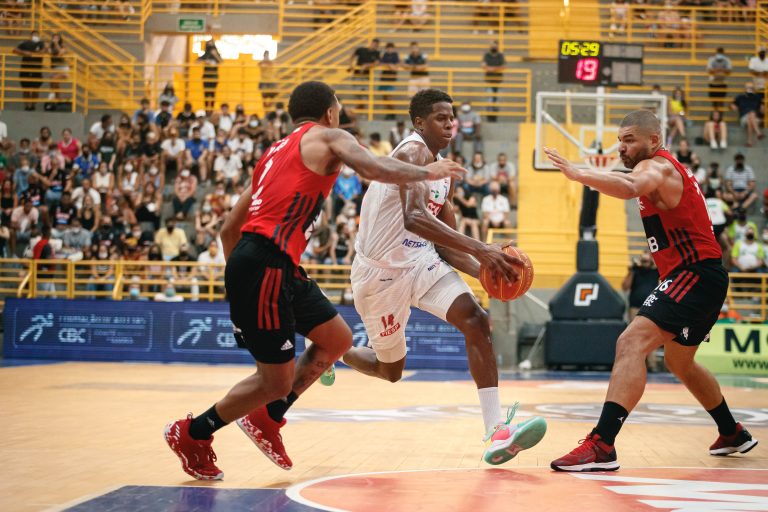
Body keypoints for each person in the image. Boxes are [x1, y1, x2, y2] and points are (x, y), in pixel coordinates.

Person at [163, 81, 466, 480]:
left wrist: (239, 285)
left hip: (271, 264)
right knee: (274, 381)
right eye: (338, 109)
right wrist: (427, 171)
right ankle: (193, 433)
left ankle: (268, 417)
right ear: (329, 112)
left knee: (337, 339)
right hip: (267, 263)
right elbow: (373, 168)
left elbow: (228, 229)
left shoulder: (273, 153)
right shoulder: (329, 136)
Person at [336, 89, 545, 467]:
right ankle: (334, 350)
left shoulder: (442, 172)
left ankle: (496, 430)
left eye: (452, 118)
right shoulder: (411, 154)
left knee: (476, 320)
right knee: (390, 371)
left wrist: (487, 271)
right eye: (440, 118)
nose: (450, 124)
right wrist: (481, 248)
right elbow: (414, 217)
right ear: (419, 123)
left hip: (419, 262)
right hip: (379, 273)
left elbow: (446, 246)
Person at [544, 109, 757, 472]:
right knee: (679, 362)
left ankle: (602, 444)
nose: (621, 147)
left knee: (631, 343)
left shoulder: (655, 167)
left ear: (654, 140)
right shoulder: (663, 168)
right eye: (620, 140)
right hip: (701, 275)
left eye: (629, 140)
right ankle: (731, 431)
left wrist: (579, 173)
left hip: (694, 273)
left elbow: (629, 187)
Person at [621, 251, 661, 371]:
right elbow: (625, 287)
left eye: (647, 260)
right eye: (643, 260)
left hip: (652, 308)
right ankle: (635, 363)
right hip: (635, 308)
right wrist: (631, 271)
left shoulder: (656, 272)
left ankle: (652, 364)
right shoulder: (635, 272)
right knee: (634, 335)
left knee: (651, 335)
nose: (645, 263)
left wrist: (654, 262)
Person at [14, 30, 46, 111]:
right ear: (31, 36)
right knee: (26, 89)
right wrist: (24, 52)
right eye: (34, 34)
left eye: (37, 35)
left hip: (37, 69)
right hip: (25, 68)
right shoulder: (25, 43)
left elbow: (44, 51)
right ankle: (27, 105)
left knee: (36, 89)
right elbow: (15, 50)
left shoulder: (41, 43)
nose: (35, 36)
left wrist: (34, 53)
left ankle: (33, 104)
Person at [731, 82, 764, 147]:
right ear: (745, 88)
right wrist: (733, 106)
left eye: (751, 87)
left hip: (756, 118)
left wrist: (762, 109)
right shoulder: (740, 97)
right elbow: (732, 104)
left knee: (751, 115)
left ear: (754, 89)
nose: (749, 89)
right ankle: (758, 133)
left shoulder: (757, 97)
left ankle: (749, 141)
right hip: (744, 118)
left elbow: (762, 109)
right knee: (750, 115)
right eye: (748, 87)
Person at [482, 41, 505, 122]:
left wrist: (492, 69)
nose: (494, 47)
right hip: (489, 81)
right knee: (490, 99)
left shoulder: (500, 55)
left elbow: (503, 66)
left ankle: (495, 117)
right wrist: (495, 68)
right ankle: (490, 117)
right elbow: (484, 66)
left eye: (495, 45)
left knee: (497, 100)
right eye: (492, 45)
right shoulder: (487, 55)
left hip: (498, 81)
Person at [198, 40, 222, 112]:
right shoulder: (206, 55)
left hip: (214, 77)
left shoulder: (216, 54)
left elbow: (221, 61)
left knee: (212, 94)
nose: (210, 47)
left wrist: (215, 54)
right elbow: (197, 61)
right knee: (206, 94)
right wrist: (205, 61)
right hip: (206, 77)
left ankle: (211, 110)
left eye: (212, 45)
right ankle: (206, 110)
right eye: (209, 45)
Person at [379, 42, 400, 120]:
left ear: (393, 49)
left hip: (391, 79)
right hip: (384, 78)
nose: (389, 49)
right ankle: (389, 113)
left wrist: (390, 65)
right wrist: (389, 65)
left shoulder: (395, 55)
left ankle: (392, 113)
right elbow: (381, 63)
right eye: (388, 48)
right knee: (384, 97)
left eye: (391, 48)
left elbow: (396, 66)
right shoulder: (385, 55)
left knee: (389, 97)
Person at [48, 33, 68, 102]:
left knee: (54, 79)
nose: (55, 39)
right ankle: (58, 98)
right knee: (55, 83)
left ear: (59, 39)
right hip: (54, 67)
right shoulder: (50, 46)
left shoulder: (62, 46)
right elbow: (50, 53)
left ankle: (52, 93)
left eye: (57, 38)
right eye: (54, 38)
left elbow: (61, 53)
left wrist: (56, 44)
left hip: (62, 67)